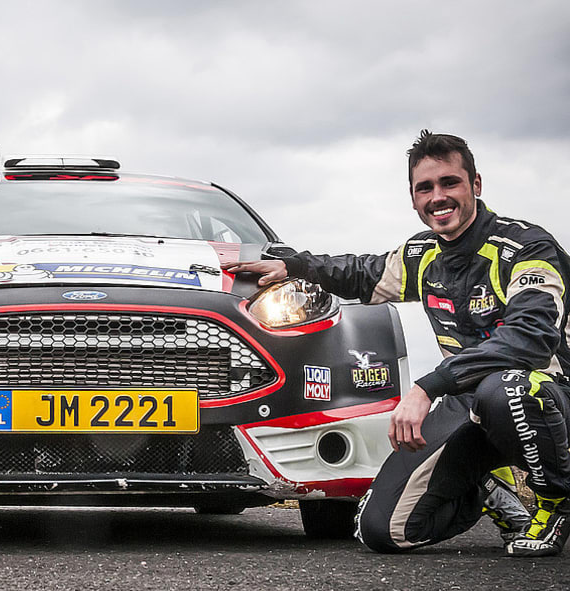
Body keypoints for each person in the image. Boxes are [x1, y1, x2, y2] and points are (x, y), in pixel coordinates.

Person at [225, 130, 570, 557]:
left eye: (450, 183)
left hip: (549, 396)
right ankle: (486, 488)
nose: (438, 197)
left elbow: (530, 339)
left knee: (506, 389)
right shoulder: (421, 255)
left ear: (476, 185)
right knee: (382, 531)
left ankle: (555, 502)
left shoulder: (528, 246)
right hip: (468, 404)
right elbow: (361, 273)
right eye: (425, 188)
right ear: (413, 198)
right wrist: (294, 266)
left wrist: (427, 387)